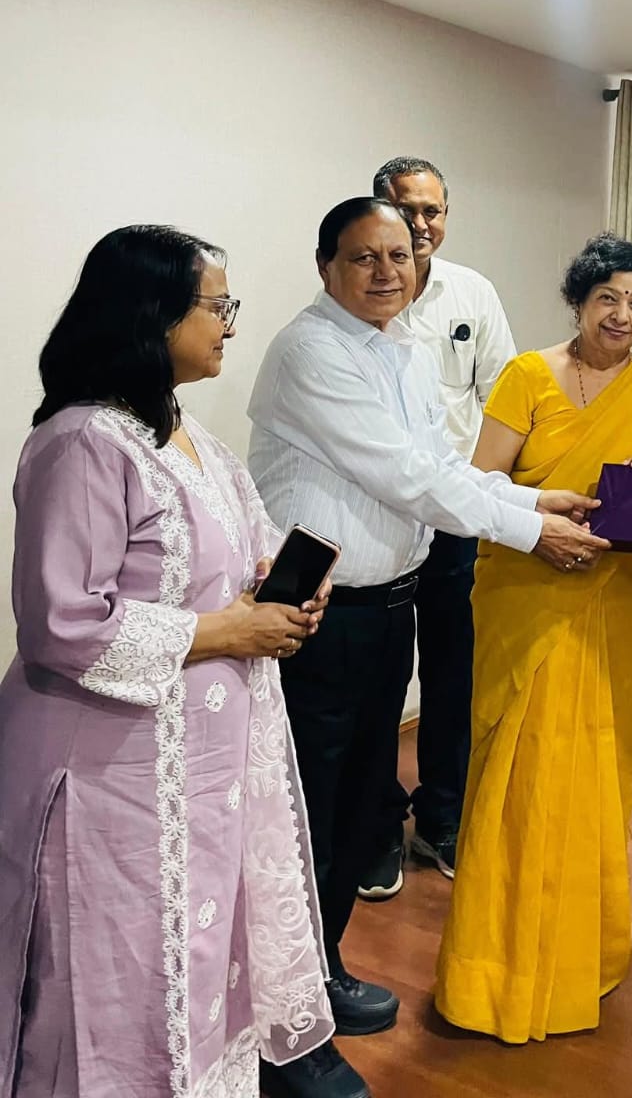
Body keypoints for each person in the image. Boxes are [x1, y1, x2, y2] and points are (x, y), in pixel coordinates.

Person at [0, 226, 361, 1098]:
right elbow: (60, 619)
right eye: (217, 305)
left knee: (196, 964)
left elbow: (241, 551)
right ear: (152, 314)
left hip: (201, 763)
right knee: (111, 982)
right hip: (108, 772)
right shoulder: (83, 442)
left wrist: (283, 586)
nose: (230, 323)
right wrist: (227, 633)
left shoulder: (183, 431)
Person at [247, 198, 602, 1063]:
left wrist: (531, 497)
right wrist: (531, 532)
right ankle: (281, 1003)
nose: (386, 273)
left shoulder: (400, 347)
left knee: (358, 802)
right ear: (326, 265)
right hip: (318, 620)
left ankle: (320, 973)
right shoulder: (311, 350)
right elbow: (406, 477)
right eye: (364, 257)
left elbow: (440, 463)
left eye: (399, 256)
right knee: (308, 811)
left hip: (384, 608)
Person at [434, 232, 632, 1044]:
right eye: (608, 299)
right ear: (579, 301)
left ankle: (578, 953)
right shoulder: (528, 375)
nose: (622, 315)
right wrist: (542, 529)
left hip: (612, 604)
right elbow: (478, 486)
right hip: (526, 592)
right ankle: (490, 972)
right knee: (516, 773)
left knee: (589, 772)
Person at [360, 154, 517, 893]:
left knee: (455, 673)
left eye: (432, 211)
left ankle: (443, 817)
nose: (420, 225)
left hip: (455, 516)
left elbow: (505, 400)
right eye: (406, 209)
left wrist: (498, 501)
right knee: (383, 678)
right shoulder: (364, 294)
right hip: (380, 520)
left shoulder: (472, 293)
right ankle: (377, 826)